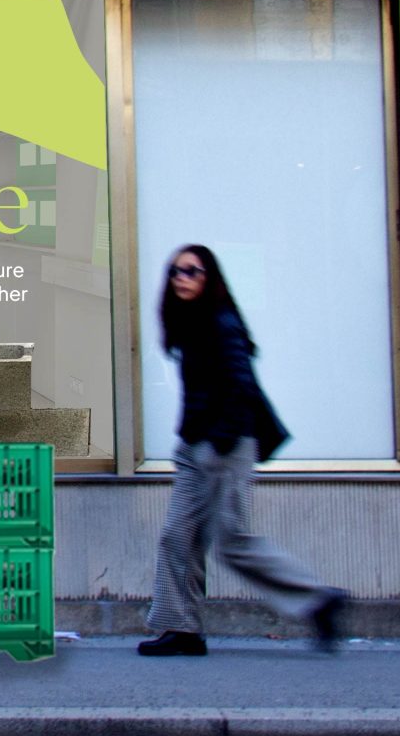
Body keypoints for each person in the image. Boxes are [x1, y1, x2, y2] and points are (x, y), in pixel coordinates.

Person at [140, 244, 347, 657]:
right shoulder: (189, 322)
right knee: (177, 537)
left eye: (192, 271)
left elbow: (240, 385)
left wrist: (220, 442)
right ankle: (181, 629)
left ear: (208, 276)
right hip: (194, 444)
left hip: (225, 446)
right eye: (175, 272)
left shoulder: (221, 321)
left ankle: (318, 599)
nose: (182, 278)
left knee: (231, 542)